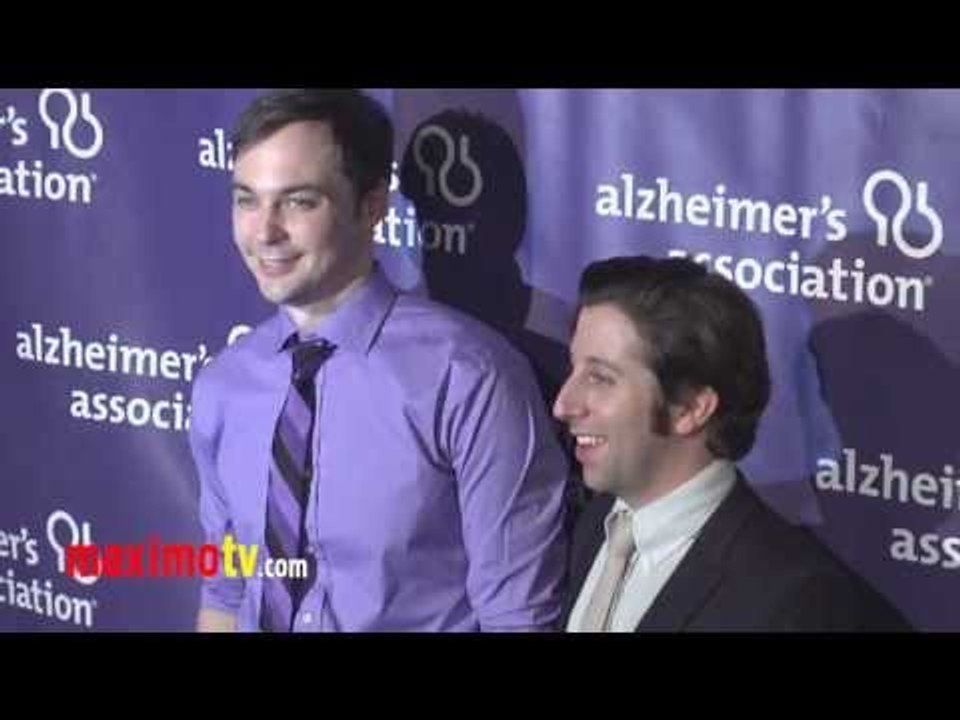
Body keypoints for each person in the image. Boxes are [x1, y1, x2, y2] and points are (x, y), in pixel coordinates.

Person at [189, 89, 569, 632]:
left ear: (372, 207)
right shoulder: (223, 387)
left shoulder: (469, 376)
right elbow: (226, 593)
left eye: (299, 201)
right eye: (247, 199)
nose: (264, 231)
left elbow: (519, 619)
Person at [555, 255, 911, 632]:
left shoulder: (792, 599)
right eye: (573, 367)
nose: (563, 405)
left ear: (691, 408)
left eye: (600, 378)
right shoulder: (599, 524)